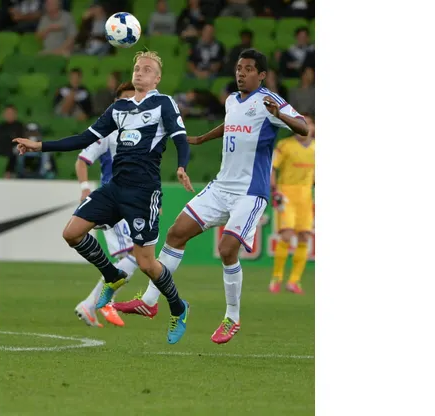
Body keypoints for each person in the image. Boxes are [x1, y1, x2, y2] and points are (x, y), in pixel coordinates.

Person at [113, 49, 308, 344]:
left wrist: (278, 115)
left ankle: (232, 317)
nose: (241, 73)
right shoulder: (232, 100)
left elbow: (303, 127)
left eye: (248, 69)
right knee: (176, 233)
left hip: (249, 192)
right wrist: (203, 138)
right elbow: (231, 125)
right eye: (239, 68)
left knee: (228, 249)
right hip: (221, 187)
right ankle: (150, 301)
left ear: (262, 75)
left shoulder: (270, 101)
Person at [13, 51, 195, 344]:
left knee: (146, 263)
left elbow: (179, 138)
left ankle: (178, 307)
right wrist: (40, 146)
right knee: (72, 233)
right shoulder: (119, 108)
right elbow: (84, 138)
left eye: (147, 69)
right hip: (115, 188)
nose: (140, 72)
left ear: (157, 78)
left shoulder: (164, 103)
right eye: (137, 67)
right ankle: (113, 275)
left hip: (143, 192)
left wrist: (182, 165)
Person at [72, 81, 139, 328]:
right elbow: (82, 160)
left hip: (133, 201)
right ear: (115, 104)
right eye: (124, 100)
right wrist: (85, 188)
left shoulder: (141, 131)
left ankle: (94, 303)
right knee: (134, 256)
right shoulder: (108, 132)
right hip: (114, 202)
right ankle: (96, 303)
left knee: (134, 256)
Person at [269, 113, 315, 294]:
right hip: (286, 194)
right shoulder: (284, 145)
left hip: (305, 196)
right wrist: (274, 190)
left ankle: (294, 281)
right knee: (287, 235)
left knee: (304, 237)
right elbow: (272, 168)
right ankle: (277, 278)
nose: (303, 127)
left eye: (308, 123)